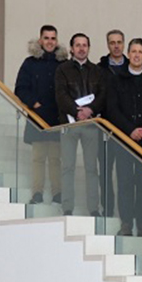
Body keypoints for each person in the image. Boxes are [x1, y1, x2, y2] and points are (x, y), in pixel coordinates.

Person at [106, 38, 142, 237]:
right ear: (128, 54)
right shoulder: (116, 79)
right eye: (134, 51)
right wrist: (130, 130)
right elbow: (112, 109)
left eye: (140, 52)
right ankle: (126, 223)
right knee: (125, 183)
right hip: (123, 141)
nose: (137, 55)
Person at [14, 25, 67, 205]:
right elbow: (20, 88)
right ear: (40, 40)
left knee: (55, 159)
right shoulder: (30, 63)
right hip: (37, 117)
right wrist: (34, 103)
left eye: (53, 38)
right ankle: (37, 193)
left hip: (57, 119)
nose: (50, 42)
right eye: (46, 38)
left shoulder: (63, 64)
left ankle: (57, 193)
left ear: (56, 41)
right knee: (38, 158)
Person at [55, 33, 107, 216]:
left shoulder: (97, 70)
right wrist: (77, 111)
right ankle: (67, 207)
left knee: (92, 168)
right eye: (78, 45)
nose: (81, 48)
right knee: (67, 167)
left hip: (92, 125)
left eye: (85, 45)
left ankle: (93, 208)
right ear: (71, 48)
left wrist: (90, 110)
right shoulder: (62, 69)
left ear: (89, 48)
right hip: (69, 124)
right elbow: (60, 95)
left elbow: (102, 94)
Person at [97, 29, 129, 213]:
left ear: (123, 44)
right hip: (104, 129)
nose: (116, 46)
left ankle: (126, 215)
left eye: (119, 42)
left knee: (125, 175)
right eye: (112, 42)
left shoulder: (131, 66)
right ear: (108, 45)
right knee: (105, 173)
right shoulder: (99, 68)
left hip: (126, 130)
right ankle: (107, 210)